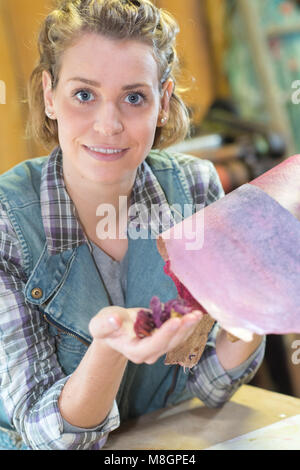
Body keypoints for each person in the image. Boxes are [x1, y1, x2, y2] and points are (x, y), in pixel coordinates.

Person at [0, 0, 265, 450]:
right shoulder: (8, 222)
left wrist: (255, 305)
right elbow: (50, 437)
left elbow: (208, 381)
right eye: (84, 94)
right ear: (49, 95)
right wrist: (111, 346)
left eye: (134, 97)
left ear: (162, 102)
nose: (109, 124)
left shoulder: (194, 190)